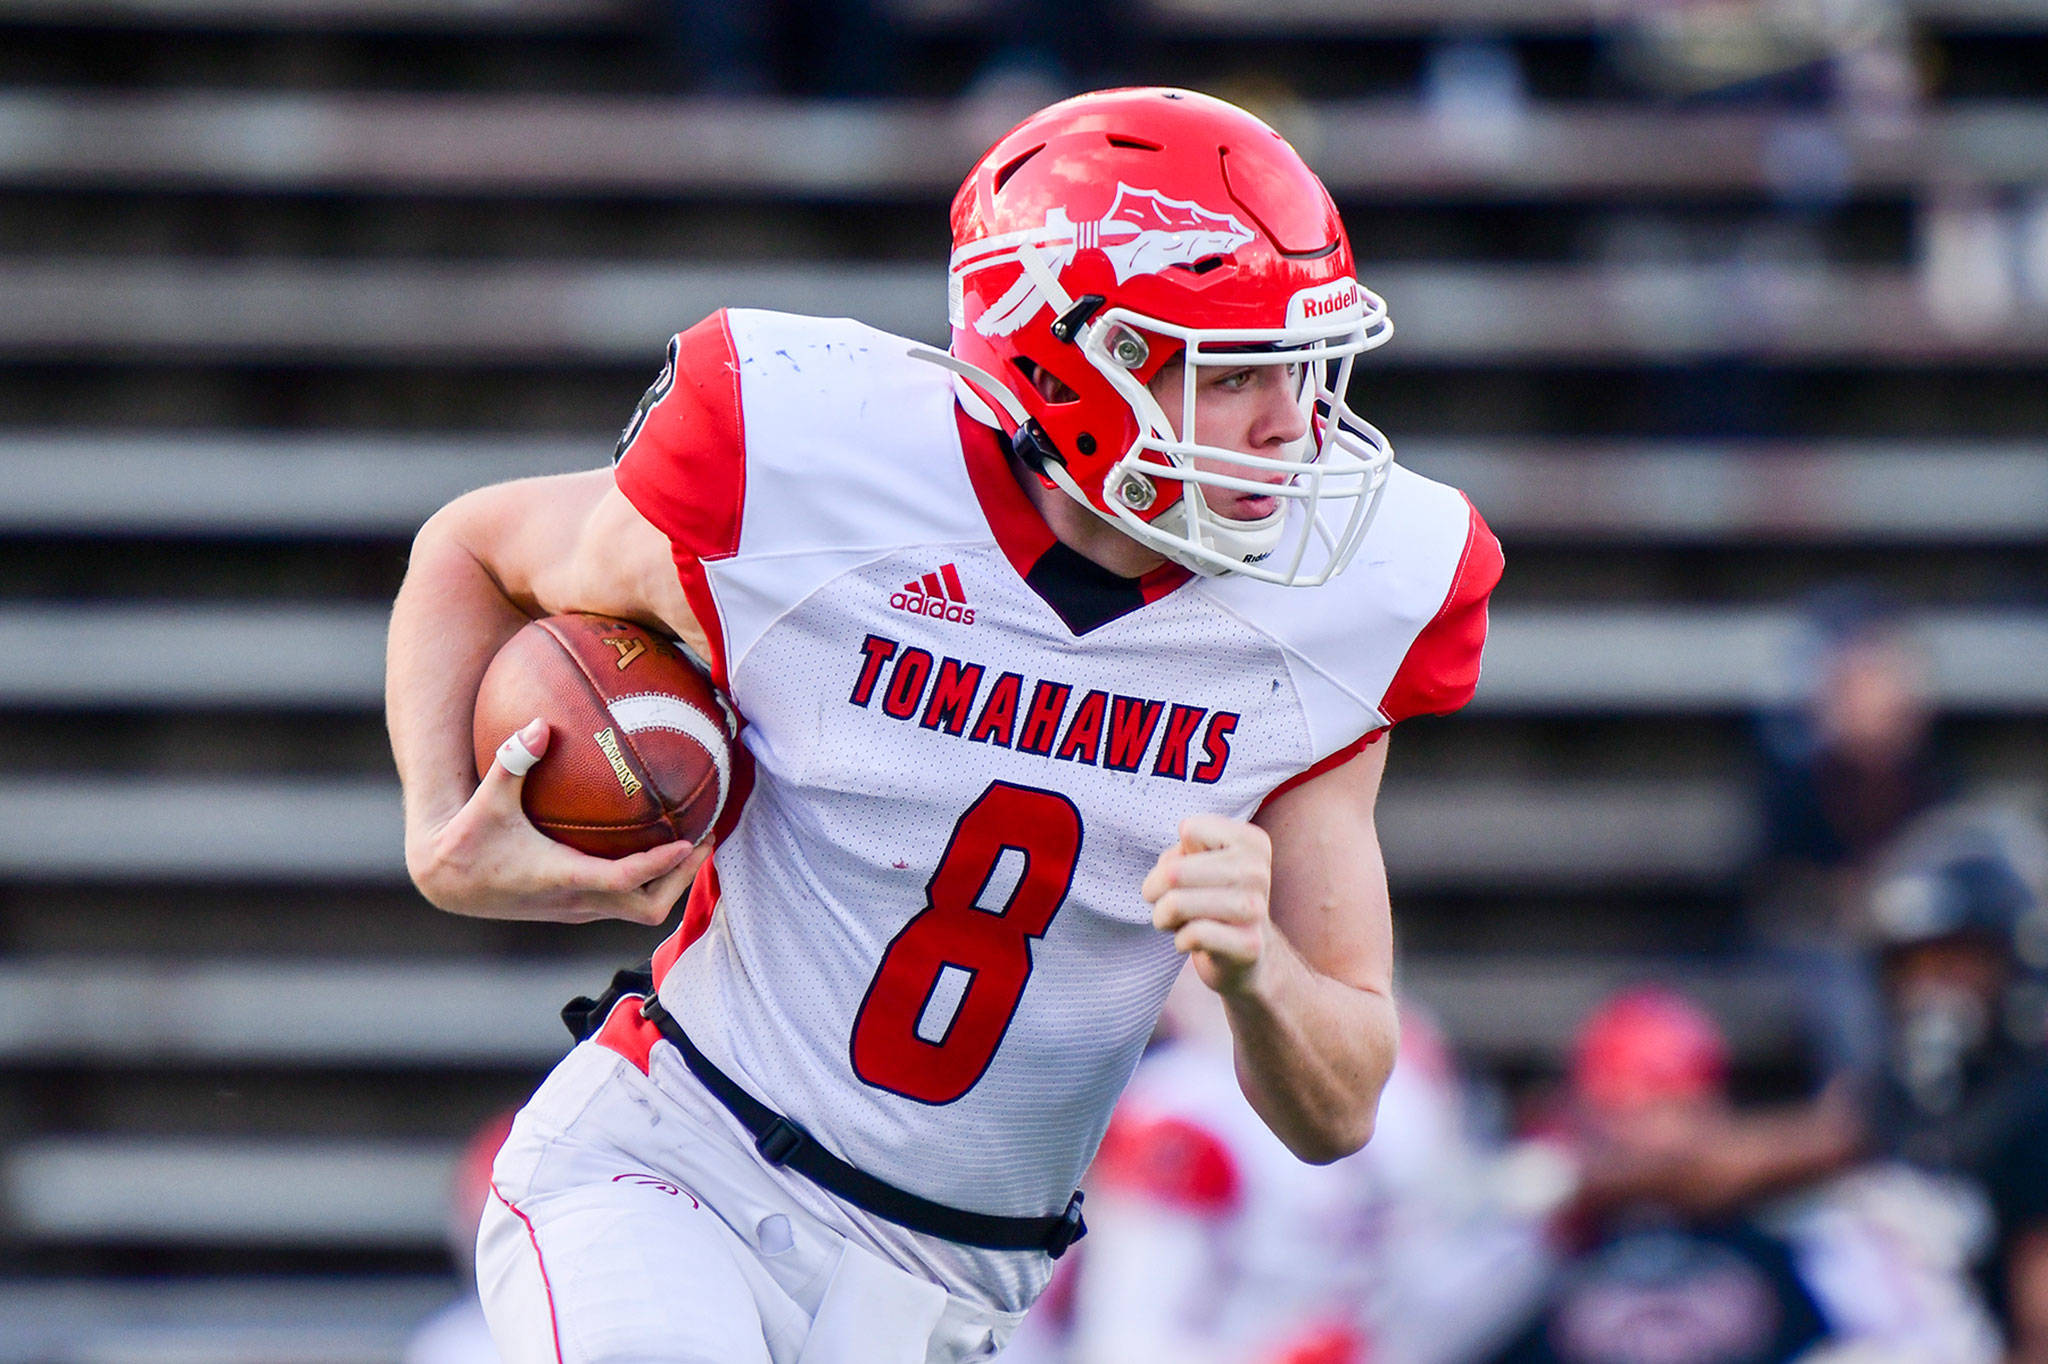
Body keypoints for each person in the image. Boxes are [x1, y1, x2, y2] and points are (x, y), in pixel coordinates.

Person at [385, 86, 1502, 1364]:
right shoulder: (815, 465)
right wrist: (436, 824)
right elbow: (471, 548)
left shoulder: (1340, 601)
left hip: (951, 1291)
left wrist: (1258, 973)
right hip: (675, 1170)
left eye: (1302, 367)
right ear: (1064, 358)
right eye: (1233, 370)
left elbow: (1342, 1098)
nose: (1290, 427)